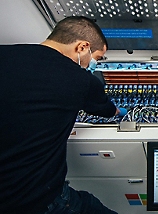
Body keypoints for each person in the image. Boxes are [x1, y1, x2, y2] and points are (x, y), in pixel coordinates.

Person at [0, 16, 127, 213]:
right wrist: (120, 112)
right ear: (82, 47)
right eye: (97, 58)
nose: (93, 65)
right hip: (35, 199)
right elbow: (107, 110)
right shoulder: (79, 79)